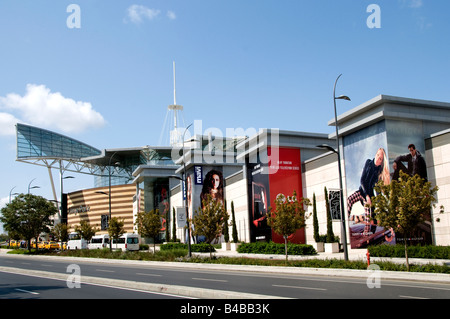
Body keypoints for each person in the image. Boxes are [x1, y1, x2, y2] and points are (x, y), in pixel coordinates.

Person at [347, 148, 390, 236]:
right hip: (362, 192)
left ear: (382, 162)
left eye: (380, 158)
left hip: (370, 198)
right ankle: (345, 223)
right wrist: (366, 195)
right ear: (375, 154)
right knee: (349, 199)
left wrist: (379, 201)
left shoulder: (379, 171)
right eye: (377, 155)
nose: (378, 158)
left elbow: (377, 188)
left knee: (370, 216)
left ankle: (368, 235)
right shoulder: (368, 163)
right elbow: (362, 180)